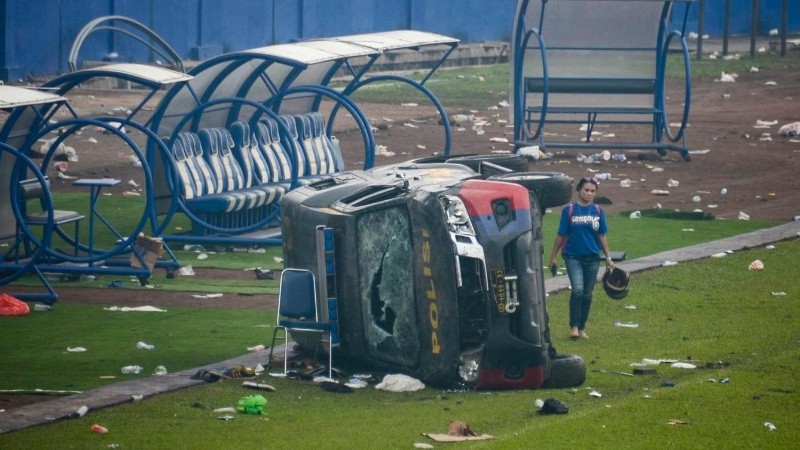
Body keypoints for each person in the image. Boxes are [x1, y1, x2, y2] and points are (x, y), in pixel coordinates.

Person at [549, 176, 614, 340]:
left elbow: (602, 235)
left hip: (592, 258)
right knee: (577, 290)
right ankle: (574, 327)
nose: (589, 193)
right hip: (572, 257)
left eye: (593, 191)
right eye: (586, 190)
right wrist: (553, 256)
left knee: (587, 294)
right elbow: (561, 234)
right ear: (579, 190)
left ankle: (582, 326)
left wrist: (608, 257)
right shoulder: (569, 210)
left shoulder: (599, 212)